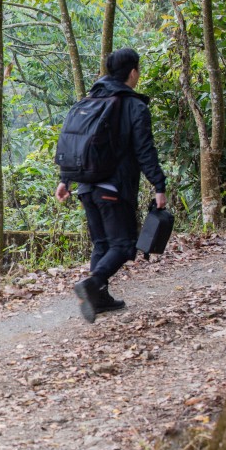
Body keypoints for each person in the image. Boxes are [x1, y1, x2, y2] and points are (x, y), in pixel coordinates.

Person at [54, 48, 167, 323]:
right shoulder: (133, 106)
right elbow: (144, 150)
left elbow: (75, 141)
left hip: (86, 187)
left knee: (102, 243)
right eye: (138, 70)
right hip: (113, 188)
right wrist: (159, 185)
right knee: (124, 244)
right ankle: (93, 284)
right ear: (133, 72)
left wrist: (65, 179)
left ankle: (100, 299)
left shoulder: (90, 100)